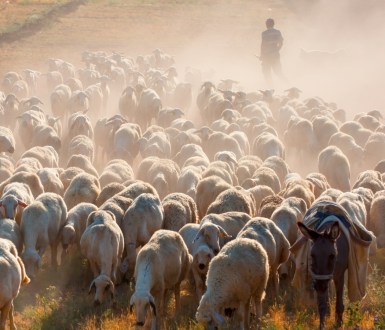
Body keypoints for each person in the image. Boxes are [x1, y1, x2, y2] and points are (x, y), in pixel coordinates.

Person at [260, 18, 286, 86]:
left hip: (266, 56)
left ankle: (271, 87)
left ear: (266, 25)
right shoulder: (277, 32)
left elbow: (263, 45)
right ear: (273, 24)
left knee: (267, 73)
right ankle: (288, 84)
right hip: (275, 56)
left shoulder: (264, 33)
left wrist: (261, 55)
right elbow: (281, 42)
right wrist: (277, 49)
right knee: (278, 72)